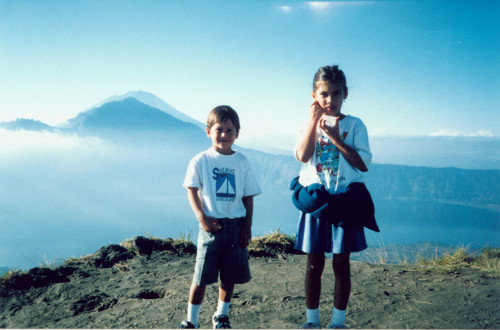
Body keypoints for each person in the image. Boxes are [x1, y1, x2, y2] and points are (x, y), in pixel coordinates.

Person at [293, 65, 379, 329]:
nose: (330, 100)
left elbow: (362, 163)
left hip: (345, 201)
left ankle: (338, 323)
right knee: (314, 263)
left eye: (336, 94)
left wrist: (334, 137)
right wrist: (313, 124)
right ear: (314, 96)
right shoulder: (307, 125)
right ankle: (312, 321)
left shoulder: (354, 125)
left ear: (345, 94)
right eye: (324, 94)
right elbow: (302, 156)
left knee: (341, 264)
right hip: (317, 201)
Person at [179, 105, 261, 329]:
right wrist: (201, 218)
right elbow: (191, 189)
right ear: (208, 131)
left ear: (237, 133)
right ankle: (191, 320)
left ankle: (221, 315)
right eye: (219, 130)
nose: (224, 135)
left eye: (230, 130)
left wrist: (247, 226)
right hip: (210, 226)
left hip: (236, 225)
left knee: (229, 275)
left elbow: (248, 196)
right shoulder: (200, 161)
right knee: (201, 276)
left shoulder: (241, 161)